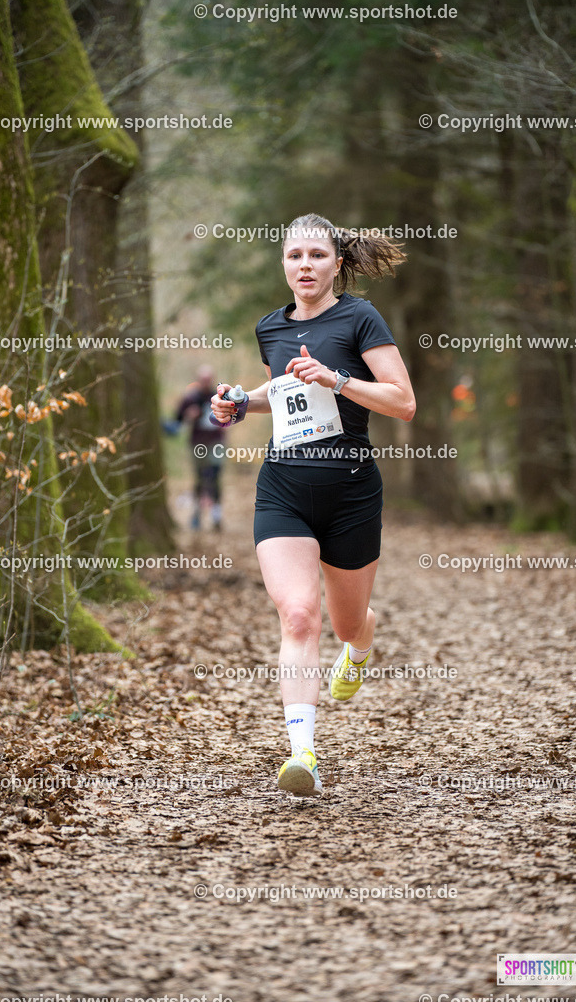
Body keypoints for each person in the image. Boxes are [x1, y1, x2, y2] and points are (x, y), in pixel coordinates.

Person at [211, 213, 416, 796]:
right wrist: (237, 403)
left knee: (347, 621)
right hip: (284, 490)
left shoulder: (360, 317)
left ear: (338, 263)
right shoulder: (270, 328)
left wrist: (337, 379)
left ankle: (363, 642)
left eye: (317, 256)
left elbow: (403, 402)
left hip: (350, 491)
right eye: (295, 255)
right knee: (299, 615)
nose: (305, 265)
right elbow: (283, 397)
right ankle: (303, 755)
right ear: (283, 263)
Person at [171, 365, 226, 531]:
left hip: (216, 441)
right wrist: (189, 415)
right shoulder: (190, 398)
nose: (205, 382)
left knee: (215, 475)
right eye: (203, 380)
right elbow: (177, 420)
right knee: (200, 477)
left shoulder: (218, 396)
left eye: (208, 380)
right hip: (197, 443)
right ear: (198, 380)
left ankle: (217, 516)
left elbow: (232, 414)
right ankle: (196, 515)